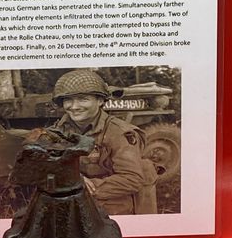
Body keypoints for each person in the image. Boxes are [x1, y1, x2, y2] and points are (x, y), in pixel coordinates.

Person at [52, 69, 157, 215]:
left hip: (111, 203)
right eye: (68, 100)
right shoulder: (61, 129)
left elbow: (132, 179)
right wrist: (76, 178)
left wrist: (83, 187)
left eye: (83, 99)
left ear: (100, 101)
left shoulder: (119, 133)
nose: (74, 106)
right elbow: (46, 162)